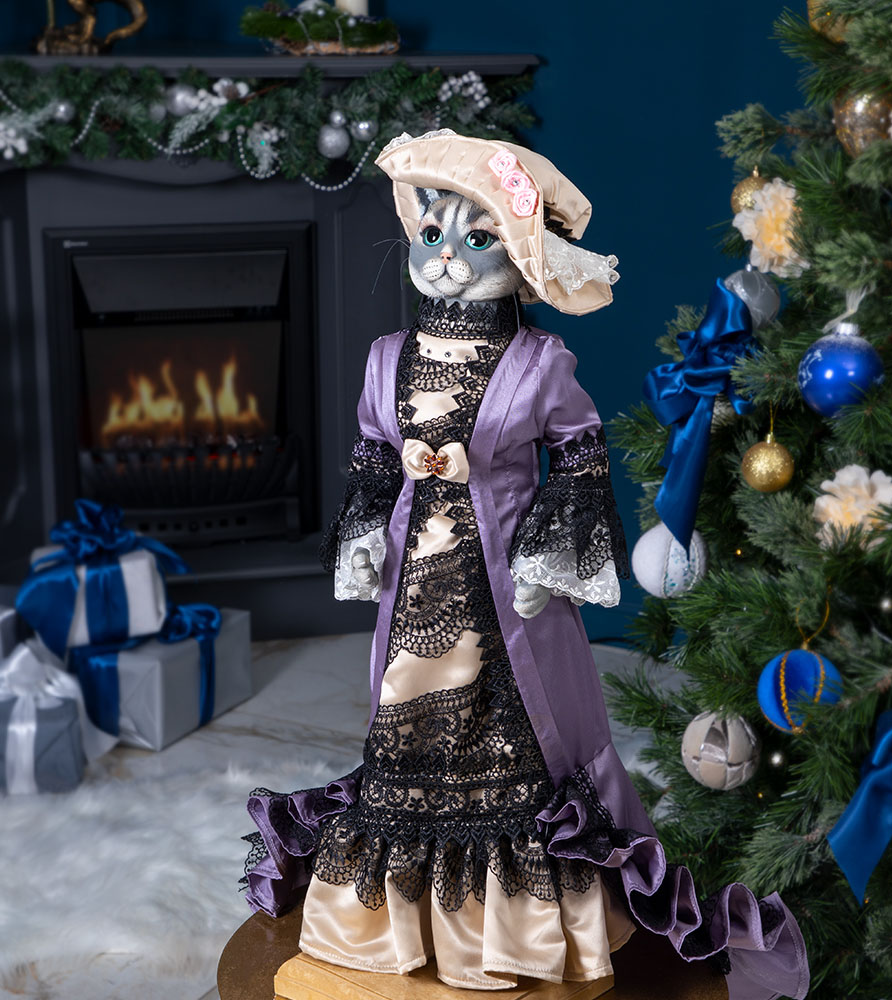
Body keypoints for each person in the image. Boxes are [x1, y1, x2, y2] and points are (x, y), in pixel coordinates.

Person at [242, 129, 809, 1000]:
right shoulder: (388, 357)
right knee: (405, 734)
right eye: (433, 235)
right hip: (413, 590)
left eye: (478, 239)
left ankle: (515, 931)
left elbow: (580, 452)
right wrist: (362, 531)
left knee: (517, 737)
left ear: (519, 255)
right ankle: (400, 924)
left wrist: (549, 553)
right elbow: (372, 452)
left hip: (506, 593)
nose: (447, 257)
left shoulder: (540, 361)